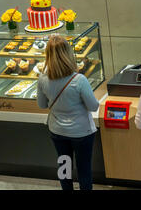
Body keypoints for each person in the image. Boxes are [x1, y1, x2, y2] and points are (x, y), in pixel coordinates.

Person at [37, 35, 99, 190]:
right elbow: (93, 106)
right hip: (81, 133)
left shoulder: (42, 78)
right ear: (68, 54)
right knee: (84, 170)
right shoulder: (79, 80)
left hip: (57, 131)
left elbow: (42, 105)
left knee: (64, 168)